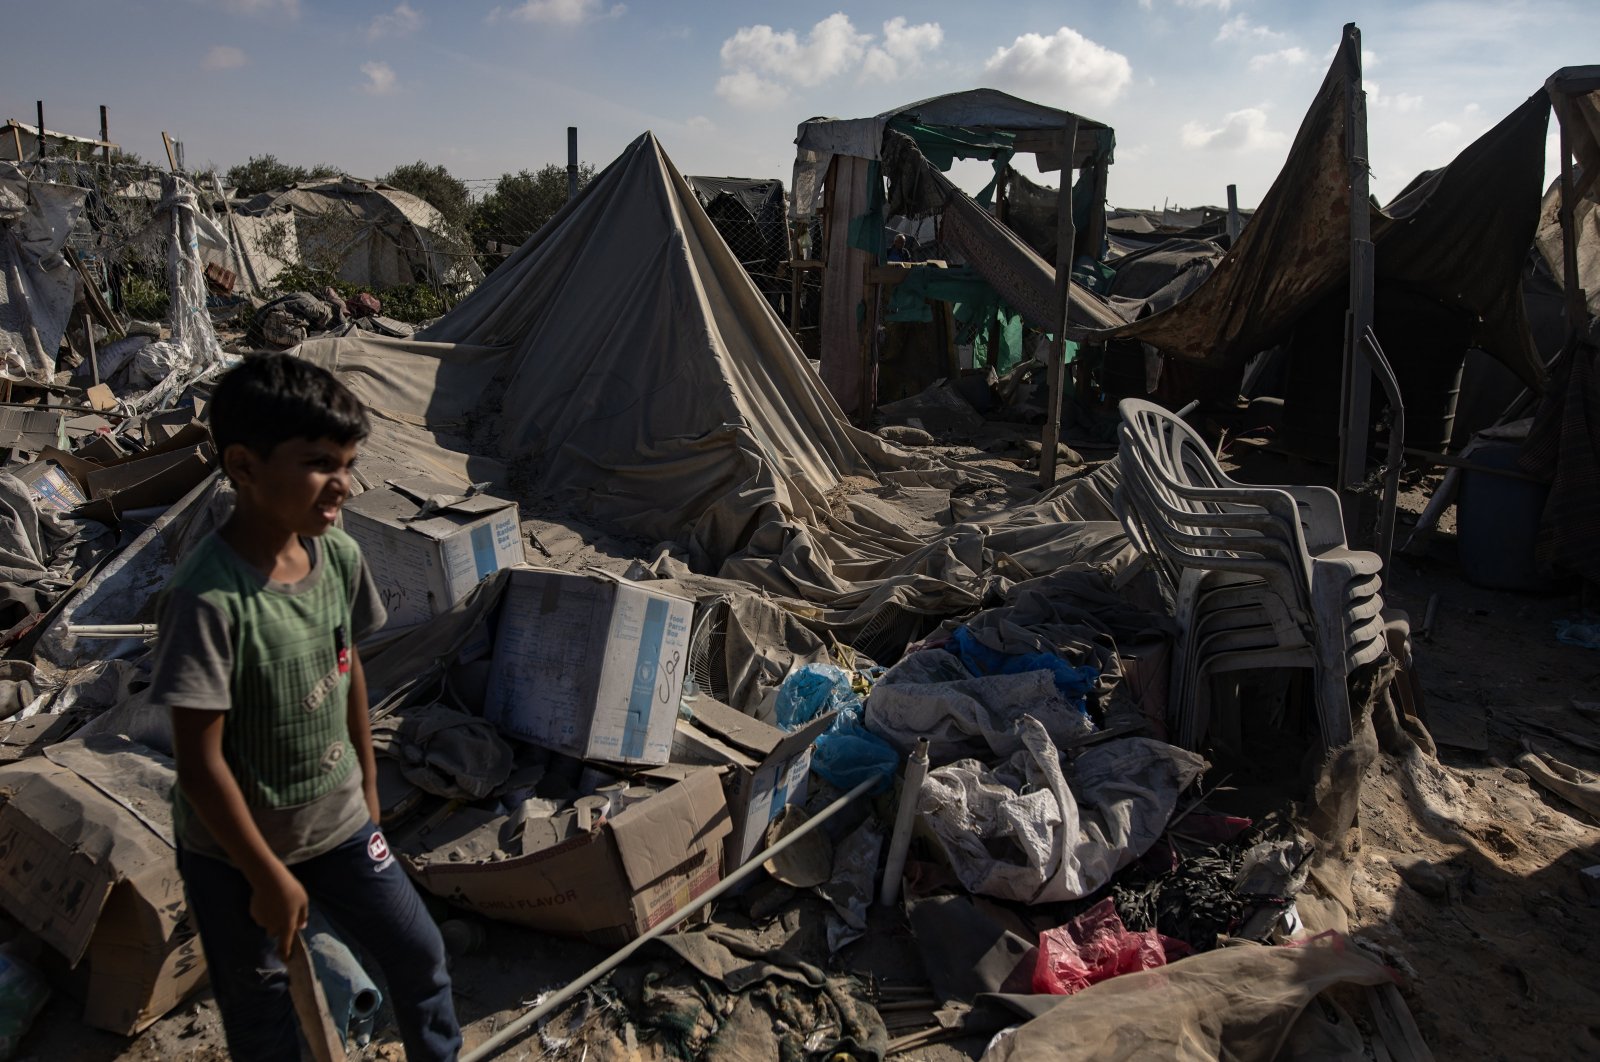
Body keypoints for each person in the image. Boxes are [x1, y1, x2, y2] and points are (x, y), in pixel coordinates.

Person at [151, 353, 460, 1062]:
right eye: (320, 463)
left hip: (339, 820)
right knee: (261, 1013)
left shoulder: (340, 559)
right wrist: (265, 875)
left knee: (420, 956)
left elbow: (347, 668)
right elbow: (199, 766)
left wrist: (369, 787)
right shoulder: (208, 599)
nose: (343, 486)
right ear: (244, 465)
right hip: (232, 855)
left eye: (348, 464)